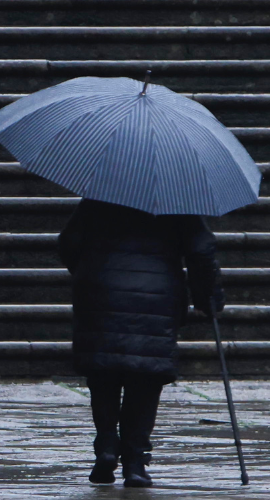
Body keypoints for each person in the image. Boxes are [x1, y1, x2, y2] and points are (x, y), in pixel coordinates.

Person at [58, 198, 225, 487]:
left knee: (104, 373)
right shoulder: (180, 199)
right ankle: (135, 462)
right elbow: (201, 250)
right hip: (157, 293)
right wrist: (207, 298)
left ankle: (107, 446)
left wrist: (91, 273)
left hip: (102, 290)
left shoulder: (101, 196)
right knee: (146, 378)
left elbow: (68, 243)